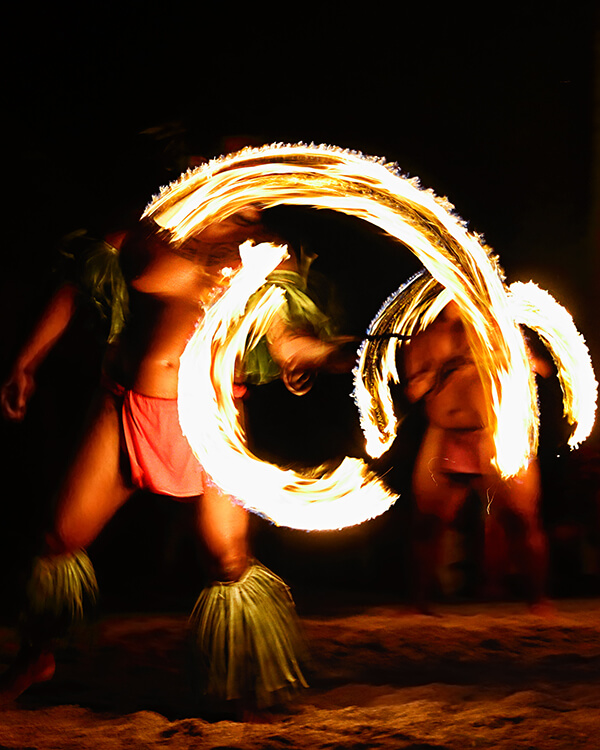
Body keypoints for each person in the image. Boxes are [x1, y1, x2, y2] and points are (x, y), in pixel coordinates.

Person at [0, 203, 354, 714]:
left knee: (228, 560)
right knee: (58, 537)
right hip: (124, 409)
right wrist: (24, 362)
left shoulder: (267, 251)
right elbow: (75, 286)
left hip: (210, 419)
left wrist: (319, 354)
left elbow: (284, 337)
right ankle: (35, 657)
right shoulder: (145, 230)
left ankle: (244, 680)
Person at [402, 300, 550, 612]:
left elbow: (540, 368)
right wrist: (445, 368)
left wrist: (502, 358)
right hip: (445, 433)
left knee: (521, 520)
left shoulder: (500, 332)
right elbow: (413, 390)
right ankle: (418, 602)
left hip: (496, 434)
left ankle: (538, 600)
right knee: (427, 524)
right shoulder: (426, 337)